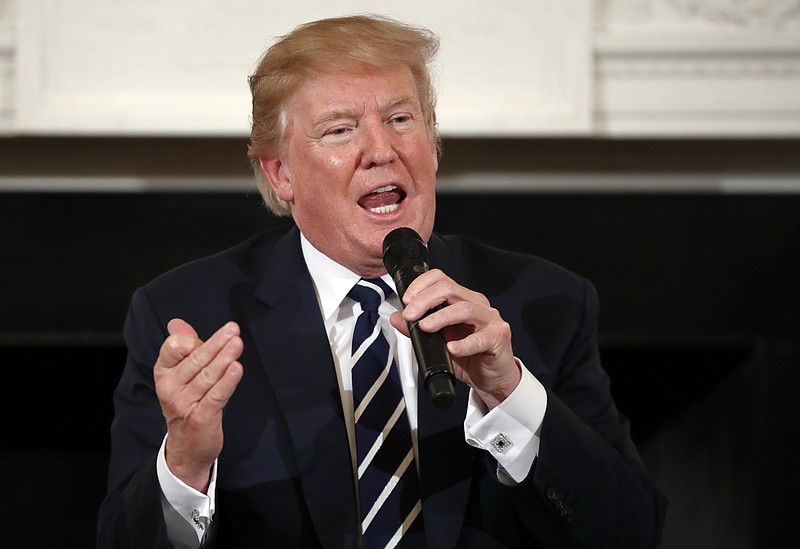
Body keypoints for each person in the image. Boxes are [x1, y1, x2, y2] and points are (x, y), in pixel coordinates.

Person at [97, 14, 667, 549]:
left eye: (400, 120)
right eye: (341, 130)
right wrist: (186, 465)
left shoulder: (544, 303)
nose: (381, 151)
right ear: (281, 173)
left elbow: (632, 530)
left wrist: (510, 393)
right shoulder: (188, 315)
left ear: (433, 144)